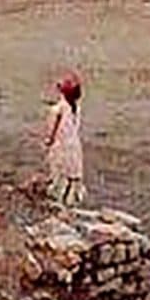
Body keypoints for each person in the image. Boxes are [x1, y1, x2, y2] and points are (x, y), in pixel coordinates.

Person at [42, 73, 87, 210]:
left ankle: (58, 198)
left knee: (59, 171)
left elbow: (52, 130)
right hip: (74, 144)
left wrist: (48, 141)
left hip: (61, 145)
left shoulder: (58, 109)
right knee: (72, 173)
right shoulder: (75, 108)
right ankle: (71, 200)